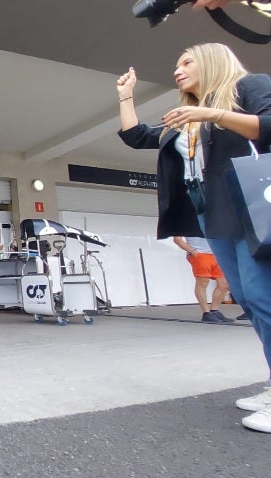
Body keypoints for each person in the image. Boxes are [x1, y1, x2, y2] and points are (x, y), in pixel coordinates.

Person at [117, 43, 271, 433]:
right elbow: (137, 136)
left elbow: (268, 125)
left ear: (211, 60)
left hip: (252, 208)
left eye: (185, 61)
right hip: (213, 217)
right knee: (250, 303)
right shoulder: (183, 121)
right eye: (176, 63)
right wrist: (126, 96)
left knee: (261, 297)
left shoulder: (248, 87)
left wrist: (211, 113)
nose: (178, 70)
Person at [173, 236, 234, 323]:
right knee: (202, 283)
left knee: (224, 284)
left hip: (215, 254)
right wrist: (193, 251)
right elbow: (177, 239)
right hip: (200, 254)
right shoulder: (185, 223)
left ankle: (214, 310)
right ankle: (206, 312)